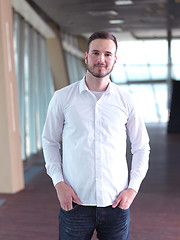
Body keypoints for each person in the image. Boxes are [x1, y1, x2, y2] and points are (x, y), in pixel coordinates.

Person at [42, 31, 150, 240]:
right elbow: (49, 142)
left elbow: (141, 147)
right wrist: (59, 183)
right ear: (86, 56)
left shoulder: (127, 100)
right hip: (74, 202)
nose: (101, 59)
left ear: (115, 60)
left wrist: (133, 189)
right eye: (96, 53)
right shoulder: (62, 98)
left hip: (116, 203)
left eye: (108, 54)